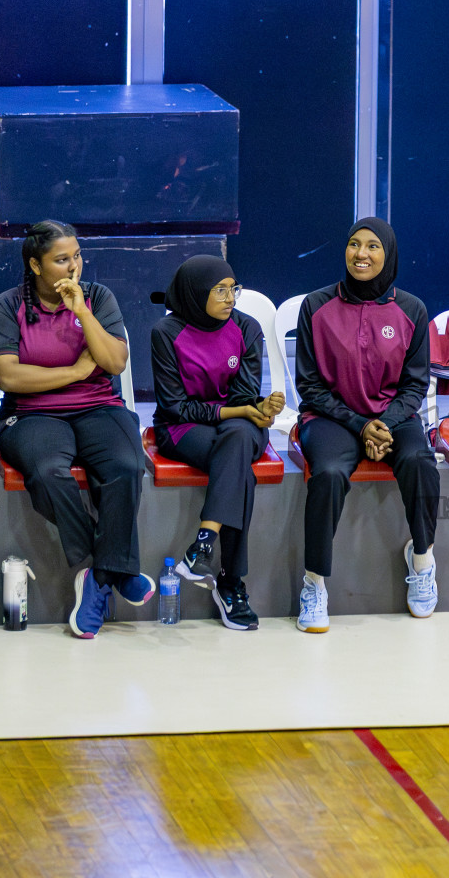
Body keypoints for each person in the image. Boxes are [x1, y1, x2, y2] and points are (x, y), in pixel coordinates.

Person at [0, 220, 153, 638]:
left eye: (76, 256)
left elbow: (114, 362)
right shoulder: (9, 306)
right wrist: (75, 370)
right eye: (61, 260)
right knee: (47, 473)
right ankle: (112, 566)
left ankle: (98, 578)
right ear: (36, 265)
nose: (74, 266)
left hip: (98, 406)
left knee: (128, 465)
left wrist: (81, 311)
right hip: (32, 413)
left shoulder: (97, 297)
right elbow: (9, 377)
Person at [294, 218, 438, 633]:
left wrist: (384, 424)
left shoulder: (411, 309)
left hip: (393, 417)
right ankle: (314, 583)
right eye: (354, 244)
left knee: (419, 461)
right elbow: (310, 386)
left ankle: (423, 559)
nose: (361, 254)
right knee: (329, 472)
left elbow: (414, 385)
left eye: (373, 246)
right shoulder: (316, 306)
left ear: (388, 254)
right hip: (332, 418)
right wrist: (361, 426)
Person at [151, 256, 283, 630]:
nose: (231, 298)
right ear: (195, 294)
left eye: (233, 289)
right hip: (182, 428)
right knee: (239, 466)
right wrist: (238, 412)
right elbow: (175, 406)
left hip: (241, 426)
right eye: (220, 290)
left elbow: (245, 394)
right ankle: (230, 583)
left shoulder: (247, 327)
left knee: (239, 439)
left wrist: (252, 411)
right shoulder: (166, 332)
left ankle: (204, 544)